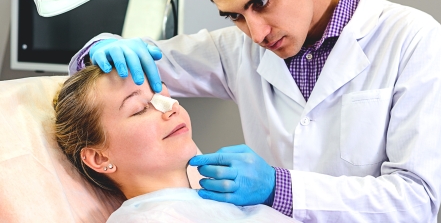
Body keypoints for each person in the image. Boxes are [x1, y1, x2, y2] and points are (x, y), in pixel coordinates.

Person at [69, 0, 441, 221]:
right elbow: (120, 78)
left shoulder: (409, 37)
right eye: (235, 15)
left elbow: (415, 202)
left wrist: (279, 187)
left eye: (261, 2)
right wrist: (101, 47)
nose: (256, 33)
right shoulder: (237, 47)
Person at [54, 65, 300, 222]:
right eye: (139, 109)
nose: (170, 108)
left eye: (164, 97)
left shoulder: (223, 201)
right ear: (100, 158)